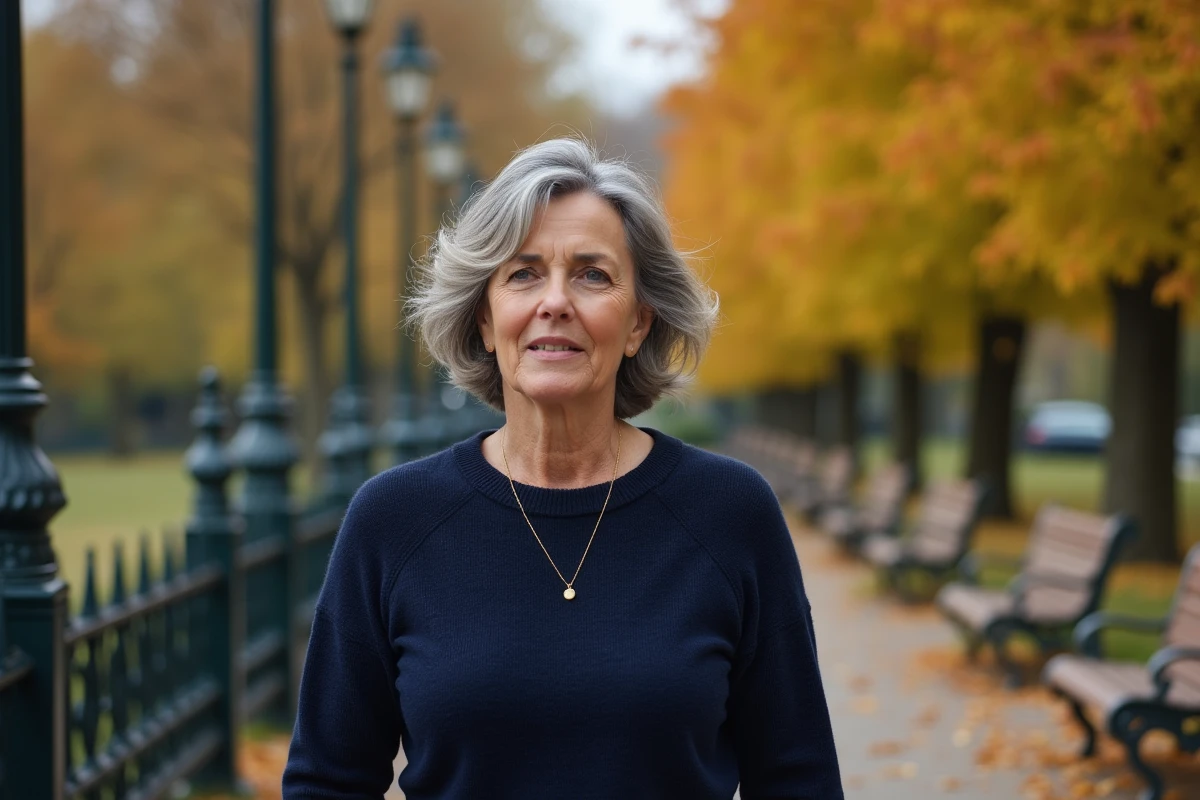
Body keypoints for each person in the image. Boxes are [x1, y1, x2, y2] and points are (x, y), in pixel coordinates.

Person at [282, 138, 842, 799]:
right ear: (486, 321)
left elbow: (797, 778)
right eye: (522, 274)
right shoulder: (394, 520)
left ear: (638, 323)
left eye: (592, 274)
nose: (555, 301)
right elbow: (329, 782)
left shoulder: (729, 513)